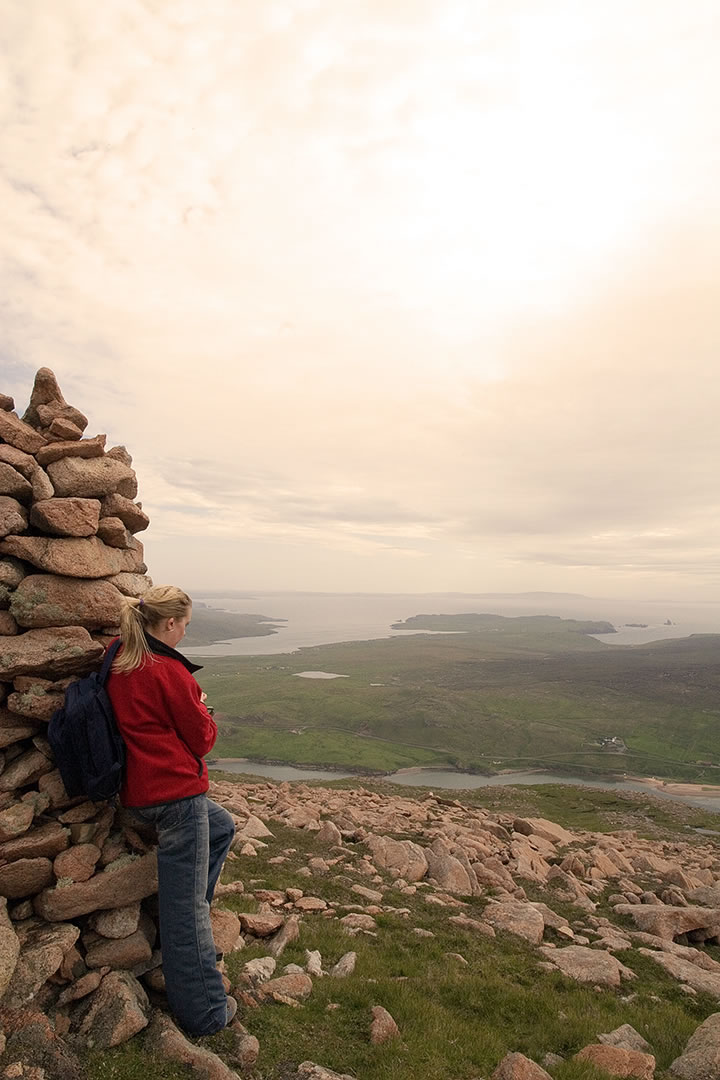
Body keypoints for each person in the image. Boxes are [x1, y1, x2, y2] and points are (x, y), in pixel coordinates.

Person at [106, 584, 236, 1036]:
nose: (185, 631)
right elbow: (201, 740)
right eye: (184, 624)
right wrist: (204, 711)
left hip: (138, 795)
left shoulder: (119, 655)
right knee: (188, 912)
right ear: (168, 624)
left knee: (222, 827)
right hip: (177, 798)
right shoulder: (170, 672)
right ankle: (205, 1013)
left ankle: (185, 917)